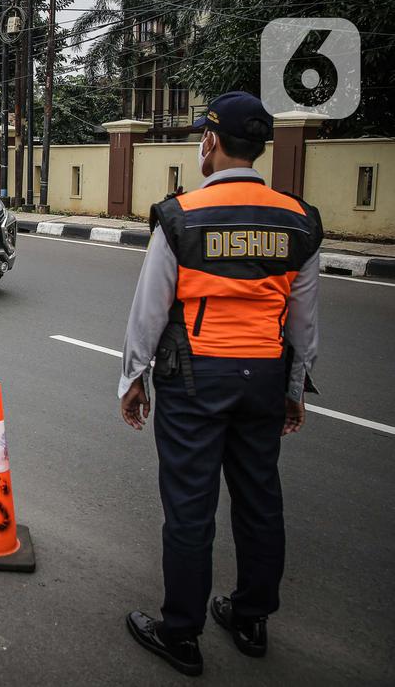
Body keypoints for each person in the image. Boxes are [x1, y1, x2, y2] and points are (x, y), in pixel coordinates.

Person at [118, 92, 323, 676]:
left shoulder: (180, 215)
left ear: (209, 142)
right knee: (259, 498)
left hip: (195, 378)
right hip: (265, 375)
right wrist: (294, 387)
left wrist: (133, 377)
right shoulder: (299, 219)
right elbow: (304, 321)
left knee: (190, 506)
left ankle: (181, 633)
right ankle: (251, 617)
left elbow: (149, 309)